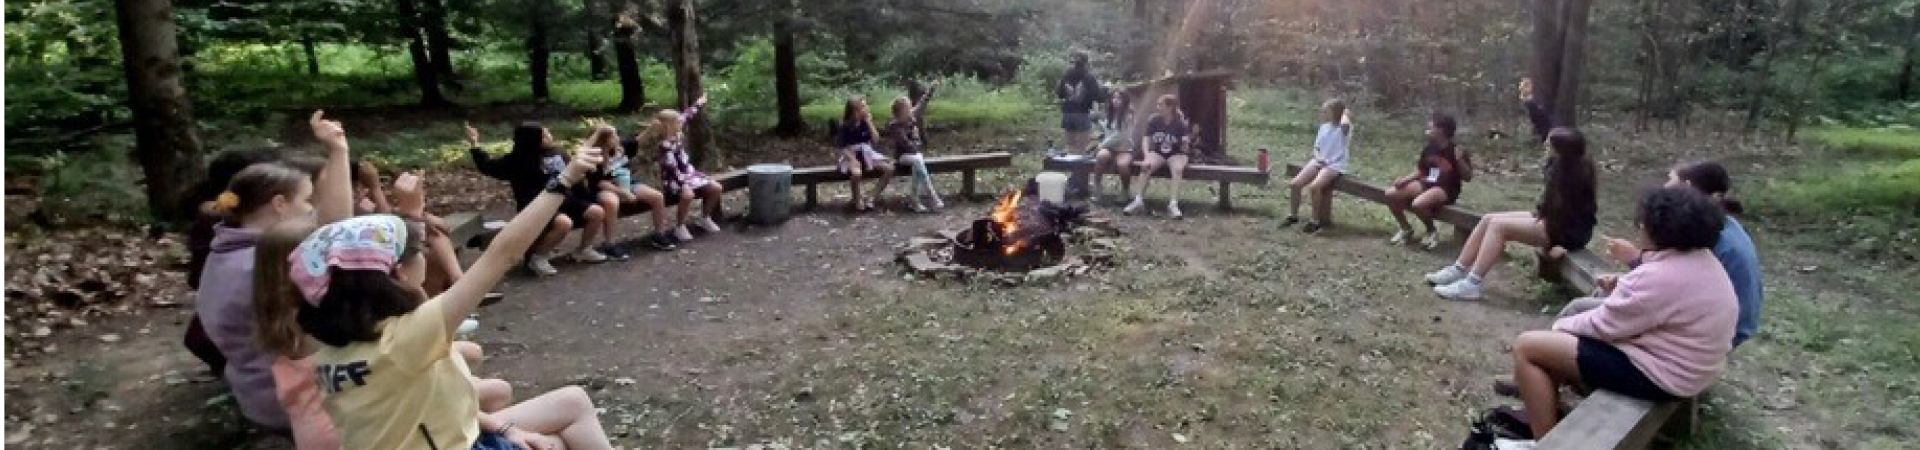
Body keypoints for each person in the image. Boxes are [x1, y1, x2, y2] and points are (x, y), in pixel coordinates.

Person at [292, 151, 615, 450]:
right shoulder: (408, 337)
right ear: (399, 273)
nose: (424, 256)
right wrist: (563, 180)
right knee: (567, 425)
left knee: (569, 407)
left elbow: (335, 257)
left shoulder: (327, 354)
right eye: (419, 252)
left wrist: (410, 214)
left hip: (439, 436)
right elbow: (503, 253)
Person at [250, 215, 514, 450]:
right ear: (396, 270)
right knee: (495, 387)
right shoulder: (391, 342)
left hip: (353, 433)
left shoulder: (322, 334)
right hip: (390, 434)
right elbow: (501, 253)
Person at [1500, 187, 1736, 444]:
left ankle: (1546, 441)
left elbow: (1604, 326)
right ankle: (1544, 400)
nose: (1638, 229)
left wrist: (1560, 327)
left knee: (1528, 346)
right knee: (1568, 326)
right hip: (1690, 367)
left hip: (1660, 375)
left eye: (1642, 224)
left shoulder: (1660, 276)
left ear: (1659, 230)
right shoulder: (1702, 261)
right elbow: (1661, 302)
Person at [194, 111, 353, 433]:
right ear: (280, 204)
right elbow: (338, 231)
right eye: (308, 201)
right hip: (293, 400)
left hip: (258, 393)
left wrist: (338, 151)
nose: (312, 210)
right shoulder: (264, 260)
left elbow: (331, 225)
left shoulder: (227, 247)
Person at [1566, 161, 1764, 346]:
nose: (1665, 185)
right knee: (1606, 293)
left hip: (1716, 329)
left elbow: (1676, 284)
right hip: (1710, 316)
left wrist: (1636, 259)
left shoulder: (1704, 234)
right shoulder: (1718, 224)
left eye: (1670, 179)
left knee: (1581, 310)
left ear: (1686, 187)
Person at [1427, 127, 1597, 300]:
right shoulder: (1563, 164)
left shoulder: (1571, 176)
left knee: (1498, 226)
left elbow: (1566, 214)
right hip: (1553, 220)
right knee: (1488, 219)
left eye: (1549, 143)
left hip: (1565, 231)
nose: (1545, 144)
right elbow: (1548, 206)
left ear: (1561, 150)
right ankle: (1457, 269)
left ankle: (1472, 283)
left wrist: (1558, 245)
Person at [470, 122, 611, 275]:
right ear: (533, 140)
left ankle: (584, 249)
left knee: (596, 212)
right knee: (564, 223)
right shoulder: (518, 160)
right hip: (537, 206)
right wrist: (475, 145)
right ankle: (539, 258)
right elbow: (488, 166)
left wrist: (585, 196)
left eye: (548, 132)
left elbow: (574, 175)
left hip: (566, 200)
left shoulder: (557, 152)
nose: (549, 137)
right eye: (544, 135)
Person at [643, 95, 724, 241]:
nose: (681, 122)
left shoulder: (678, 133)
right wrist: (684, 184)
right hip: (673, 179)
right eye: (677, 122)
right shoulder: (665, 145)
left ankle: (705, 218)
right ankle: (680, 226)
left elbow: (687, 114)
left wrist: (699, 103)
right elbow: (672, 170)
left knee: (716, 188)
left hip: (688, 173)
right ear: (669, 126)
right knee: (688, 195)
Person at [1385, 112, 1472, 249]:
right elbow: (1421, 171)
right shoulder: (1429, 148)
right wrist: (1405, 180)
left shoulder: (1456, 150)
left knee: (1418, 204)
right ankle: (1406, 229)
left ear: (1441, 131)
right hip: (1427, 182)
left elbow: (1468, 177)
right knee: (1391, 194)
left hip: (1445, 189)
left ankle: (1431, 231)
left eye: (1431, 128)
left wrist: (1459, 160)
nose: (1427, 130)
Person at [1281, 99, 1353, 233]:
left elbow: (1345, 124)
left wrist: (1346, 114)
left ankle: (1314, 221)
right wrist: (1318, 158)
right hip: (1319, 161)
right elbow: (1317, 147)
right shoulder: (1324, 127)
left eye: (1327, 111)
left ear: (1336, 113)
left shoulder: (1344, 129)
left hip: (1334, 164)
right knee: (1295, 184)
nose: (1323, 113)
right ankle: (1293, 216)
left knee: (1314, 187)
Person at [1122, 94, 1193, 219]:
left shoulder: (1180, 123)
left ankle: (1173, 204)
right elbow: (1146, 138)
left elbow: (1185, 147)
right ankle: (1138, 201)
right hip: (1158, 152)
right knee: (1146, 167)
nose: (1157, 107)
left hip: (1176, 153)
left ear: (1169, 107)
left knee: (1177, 169)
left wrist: (1185, 144)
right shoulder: (1154, 120)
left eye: (1160, 105)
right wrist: (1146, 155)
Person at [886, 79, 945, 212]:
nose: (910, 108)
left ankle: (915, 200)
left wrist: (932, 89)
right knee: (918, 160)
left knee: (917, 167)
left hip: (914, 155)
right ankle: (932, 196)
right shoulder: (894, 125)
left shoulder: (911, 116)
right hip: (902, 156)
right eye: (907, 107)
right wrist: (917, 143)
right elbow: (904, 144)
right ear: (900, 111)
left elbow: (923, 103)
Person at [836, 96, 894, 212]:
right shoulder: (845, 126)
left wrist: (869, 122)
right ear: (855, 110)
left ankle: (872, 197)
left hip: (867, 154)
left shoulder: (865, 123)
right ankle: (856, 199)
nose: (866, 108)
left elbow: (876, 139)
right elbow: (842, 147)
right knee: (856, 174)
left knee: (889, 169)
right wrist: (852, 159)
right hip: (851, 155)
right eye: (863, 106)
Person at [1091, 88, 1135, 201]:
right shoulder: (1109, 113)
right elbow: (1107, 130)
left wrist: (1101, 145)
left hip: (1124, 148)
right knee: (1101, 157)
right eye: (1113, 98)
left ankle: (1125, 191)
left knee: (1122, 165)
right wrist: (1096, 123)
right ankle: (1097, 187)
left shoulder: (1128, 115)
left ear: (1125, 100)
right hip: (1110, 147)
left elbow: (1120, 135)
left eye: (1119, 98)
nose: (1115, 100)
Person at [1056, 52, 1104, 154]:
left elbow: (1059, 93)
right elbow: (1097, 96)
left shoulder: (1066, 75)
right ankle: (1078, 168)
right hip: (1082, 113)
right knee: (1081, 148)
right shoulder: (1088, 77)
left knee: (1070, 146)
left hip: (1067, 113)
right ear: (1086, 62)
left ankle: (1069, 166)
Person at [1520, 78, 1553, 144]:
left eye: (1530, 85)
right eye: (1528, 86)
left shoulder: (1531, 99)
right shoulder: (1528, 101)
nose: (1531, 87)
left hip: (1544, 123)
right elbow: (1533, 114)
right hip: (1540, 123)